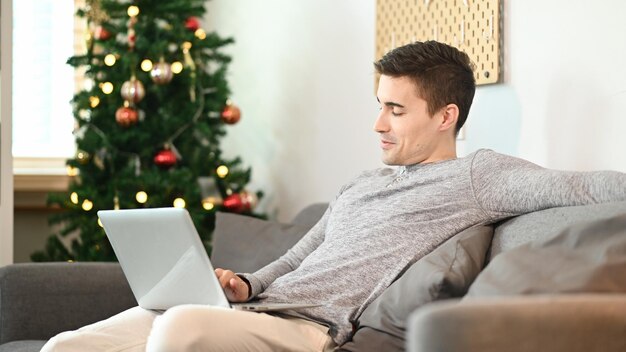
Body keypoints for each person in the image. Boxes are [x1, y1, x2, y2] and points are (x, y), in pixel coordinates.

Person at [42, 40, 626, 352]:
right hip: (253, 310)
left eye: (396, 110)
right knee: (69, 345)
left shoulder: (480, 176)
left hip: (311, 331)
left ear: (447, 117)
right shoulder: (360, 184)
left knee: (178, 333)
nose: (378, 124)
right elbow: (299, 257)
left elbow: (582, 186)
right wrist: (246, 284)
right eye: (379, 104)